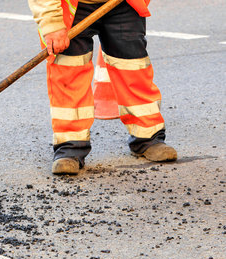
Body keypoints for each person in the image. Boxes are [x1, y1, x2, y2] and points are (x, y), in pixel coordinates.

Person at [28, 0, 177, 175]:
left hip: (122, 4)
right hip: (73, 9)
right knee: (69, 73)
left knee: (132, 68)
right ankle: (70, 147)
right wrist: (52, 24)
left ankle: (148, 137)